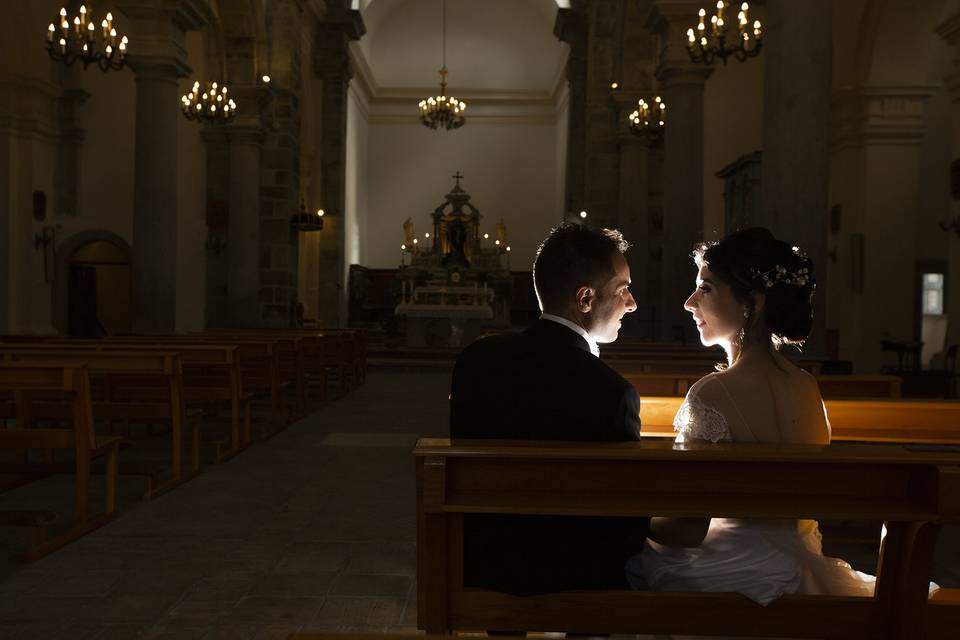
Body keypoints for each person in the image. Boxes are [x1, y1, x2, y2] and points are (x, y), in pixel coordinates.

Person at [625, 227, 880, 604]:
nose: (689, 302)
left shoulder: (712, 394)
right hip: (805, 565)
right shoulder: (807, 387)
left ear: (754, 302)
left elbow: (686, 528)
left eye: (706, 288)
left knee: (626, 563)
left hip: (734, 573)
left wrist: (623, 518)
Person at [450, 222, 648, 595]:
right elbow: (624, 522)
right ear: (586, 299)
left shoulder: (477, 361)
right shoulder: (612, 392)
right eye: (624, 290)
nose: (632, 303)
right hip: (579, 575)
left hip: (484, 564)